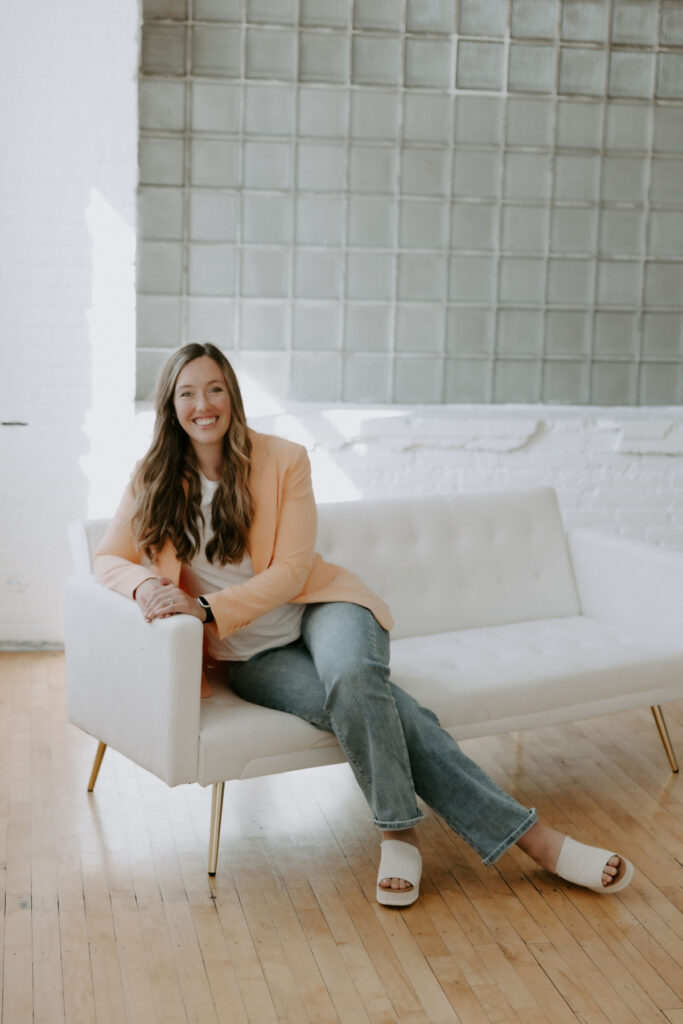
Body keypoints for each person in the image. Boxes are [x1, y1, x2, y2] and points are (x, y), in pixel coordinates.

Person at [94, 343, 634, 907]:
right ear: (171, 406)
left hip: (324, 608)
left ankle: (397, 835)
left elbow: (292, 571)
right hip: (251, 657)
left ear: (232, 396)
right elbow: (107, 557)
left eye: (215, 389)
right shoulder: (152, 478)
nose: (203, 404)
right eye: (187, 393)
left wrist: (203, 610)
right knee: (384, 707)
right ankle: (539, 842)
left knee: (354, 679)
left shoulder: (283, 459)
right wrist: (146, 586)